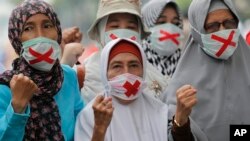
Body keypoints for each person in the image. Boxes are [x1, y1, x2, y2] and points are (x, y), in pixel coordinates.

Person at [75, 38, 197, 141]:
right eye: (117, 66)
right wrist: (99, 129)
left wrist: (180, 120)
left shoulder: (159, 111)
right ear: (105, 72)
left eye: (133, 65)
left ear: (143, 70)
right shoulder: (90, 116)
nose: (127, 74)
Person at [163, 0, 250, 140]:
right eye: (212, 26)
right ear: (198, 31)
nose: (223, 31)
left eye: (229, 23)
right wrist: (180, 122)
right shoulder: (181, 89)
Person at [0, 0, 84, 140]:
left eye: (47, 25)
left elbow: (82, 127)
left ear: (57, 32)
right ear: (16, 38)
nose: (40, 35)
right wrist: (17, 107)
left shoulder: (68, 77)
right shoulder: (6, 86)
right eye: (28, 28)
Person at [142, 0, 184, 76]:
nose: (170, 29)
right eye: (162, 22)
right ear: (145, 25)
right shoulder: (136, 61)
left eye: (176, 23)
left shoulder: (186, 61)